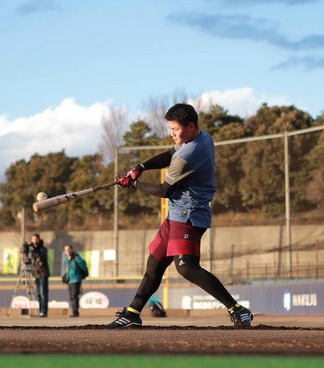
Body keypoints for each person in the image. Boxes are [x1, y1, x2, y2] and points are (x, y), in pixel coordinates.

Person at [107, 103, 253, 329]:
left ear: (191, 126)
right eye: (171, 128)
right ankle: (133, 313)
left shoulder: (189, 154)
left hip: (189, 216)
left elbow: (165, 191)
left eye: (176, 129)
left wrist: (133, 184)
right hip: (176, 214)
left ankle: (237, 309)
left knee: (186, 267)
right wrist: (141, 166)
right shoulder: (203, 137)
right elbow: (169, 154)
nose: (172, 133)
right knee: (154, 264)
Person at [63, 244, 88, 317]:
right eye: (65, 250)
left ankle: (75, 312)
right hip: (70, 280)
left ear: (71, 250)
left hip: (76, 279)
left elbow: (83, 265)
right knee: (71, 296)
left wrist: (81, 274)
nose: (67, 251)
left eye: (68, 249)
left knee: (74, 296)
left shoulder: (76, 257)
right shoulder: (67, 259)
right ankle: (74, 311)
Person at [30, 233, 50, 318]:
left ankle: (44, 311)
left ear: (38, 239)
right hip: (36, 273)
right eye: (33, 239)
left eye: (35, 239)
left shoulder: (43, 248)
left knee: (43, 293)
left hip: (43, 273)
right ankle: (40, 310)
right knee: (38, 294)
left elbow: (41, 256)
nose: (34, 241)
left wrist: (34, 249)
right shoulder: (31, 249)